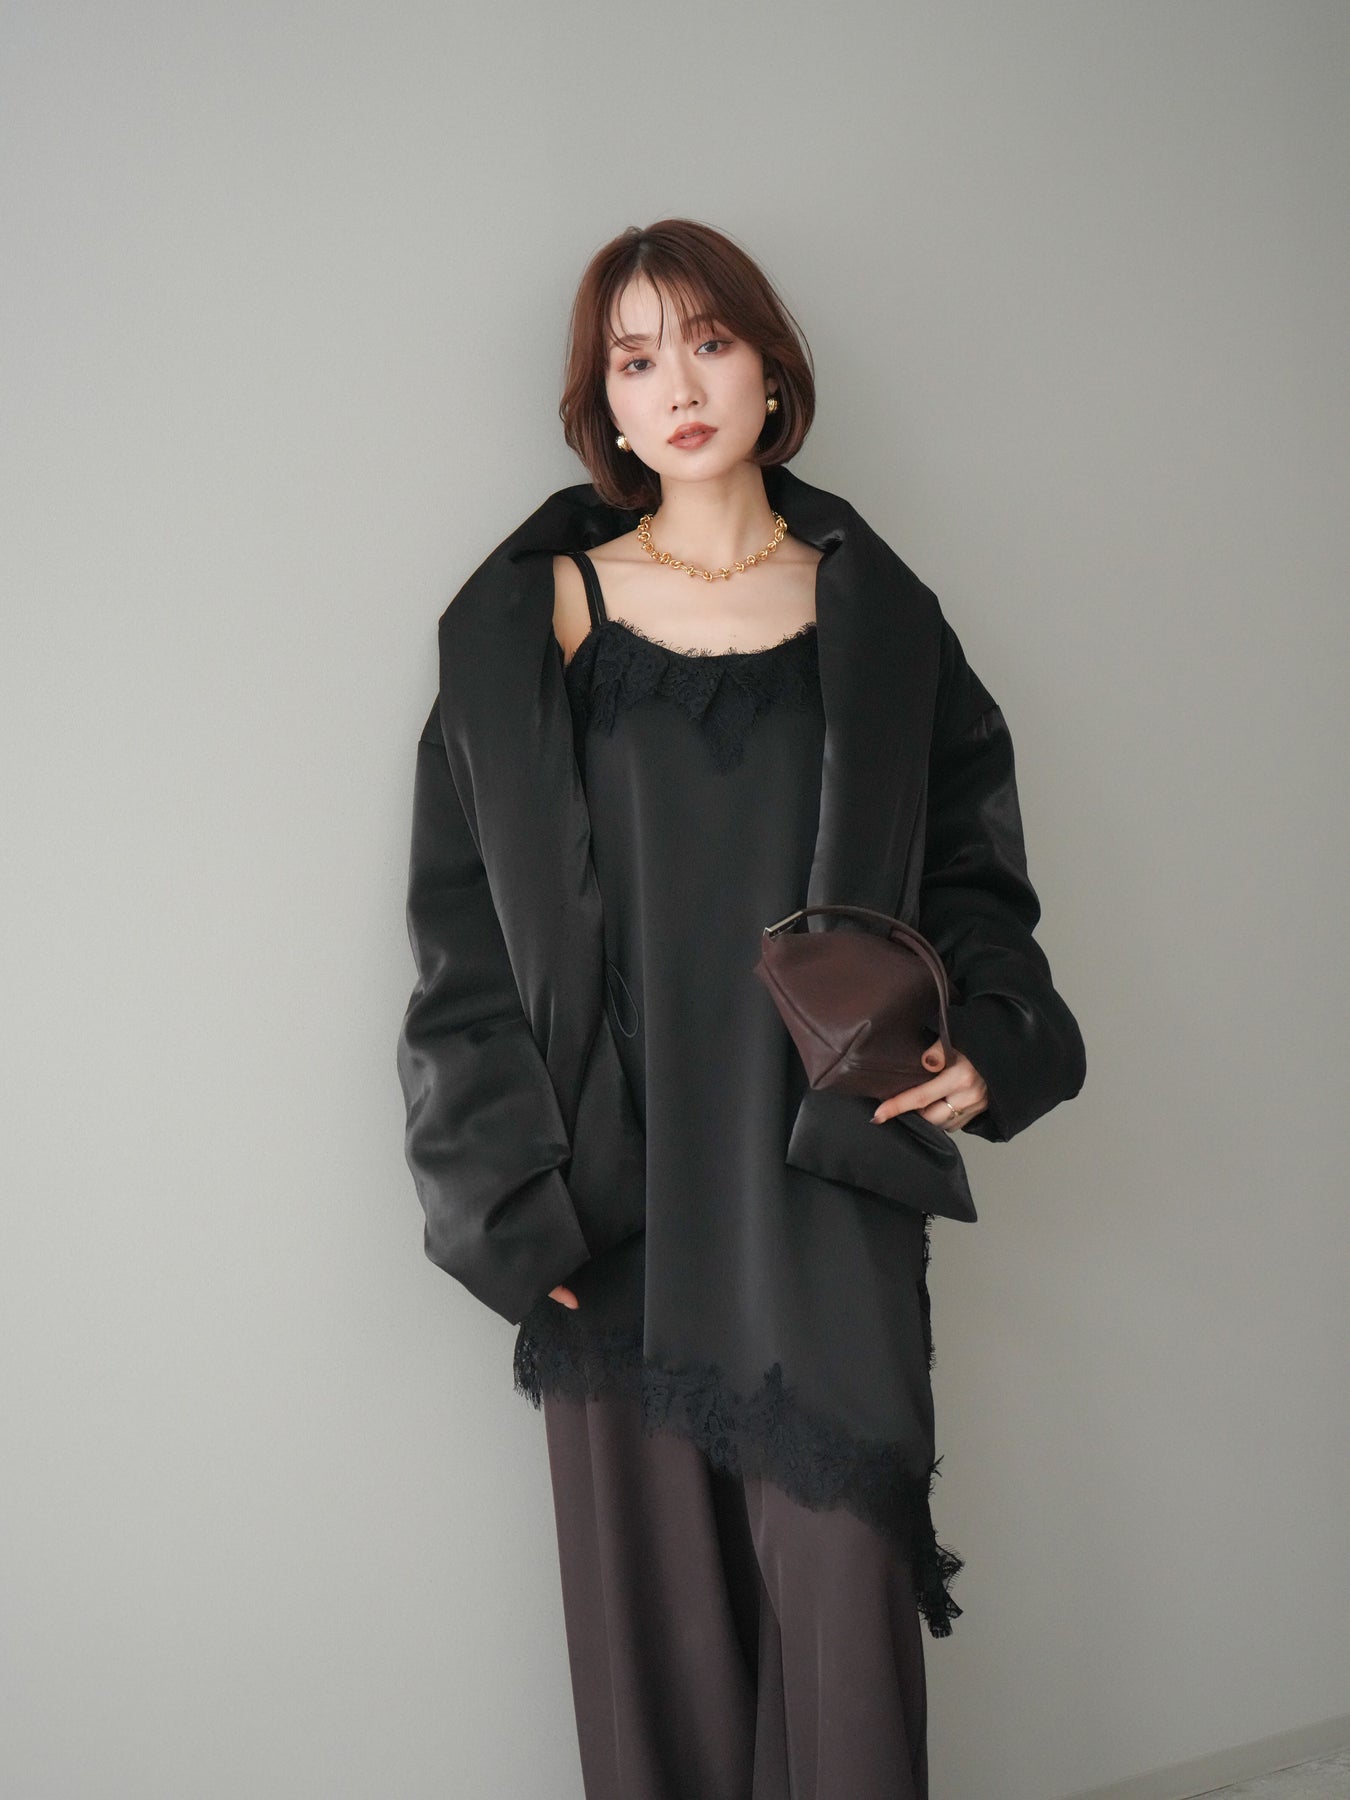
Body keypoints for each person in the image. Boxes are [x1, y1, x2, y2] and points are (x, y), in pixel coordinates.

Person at [396, 217, 1087, 1800]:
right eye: (635, 360)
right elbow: (460, 940)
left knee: (846, 1617)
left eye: (708, 343)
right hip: (610, 1186)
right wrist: (505, 1200)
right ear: (603, 403)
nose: (679, 387)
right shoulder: (528, 622)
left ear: (771, 369)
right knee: (660, 1658)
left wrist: (991, 1040)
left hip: (818, 1172)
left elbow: (973, 877)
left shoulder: (880, 621)